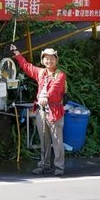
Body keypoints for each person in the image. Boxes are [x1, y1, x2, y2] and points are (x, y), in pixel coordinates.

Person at [11, 44, 66, 176]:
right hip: (41, 111)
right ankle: (44, 165)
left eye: (52, 58)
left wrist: (45, 97)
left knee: (57, 141)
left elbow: (55, 89)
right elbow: (27, 66)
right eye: (46, 58)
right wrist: (17, 53)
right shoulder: (41, 72)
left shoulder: (60, 75)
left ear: (56, 60)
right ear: (42, 60)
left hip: (55, 111)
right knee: (44, 140)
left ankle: (59, 167)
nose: (49, 61)